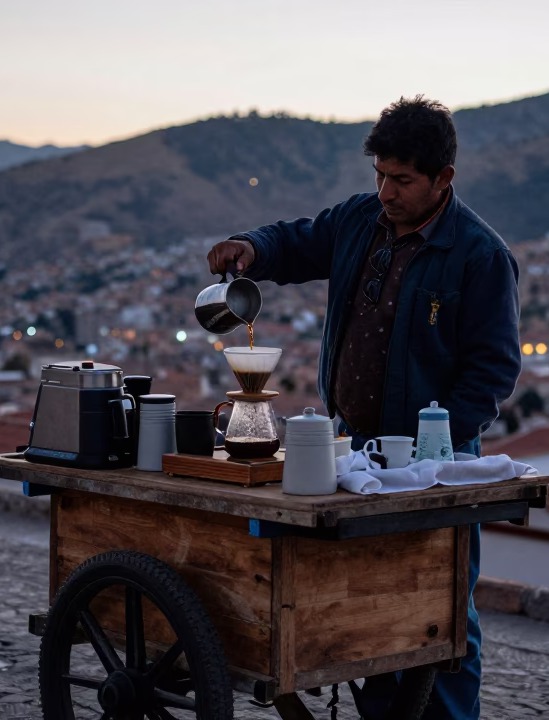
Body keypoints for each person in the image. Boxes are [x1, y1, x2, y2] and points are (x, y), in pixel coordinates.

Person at [207, 96, 520, 720]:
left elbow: (493, 371)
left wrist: (433, 447)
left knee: (443, 608)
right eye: (380, 175)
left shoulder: (479, 256)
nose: (386, 191)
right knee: (368, 604)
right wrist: (251, 248)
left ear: (443, 179)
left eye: (402, 180)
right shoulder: (358, 222)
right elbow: (297, 242)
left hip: (433, 468)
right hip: (356, 456)